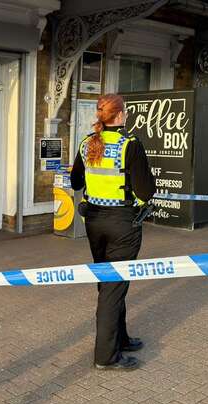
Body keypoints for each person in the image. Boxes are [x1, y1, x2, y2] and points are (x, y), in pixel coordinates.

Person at [70, 94, 156, 371]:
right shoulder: (130, 145)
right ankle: (106, 356)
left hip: (94, 221)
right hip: (122, 222)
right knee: (114, 286)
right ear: (119, 115)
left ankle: (120, 338)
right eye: (126, 112)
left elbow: (75, 181)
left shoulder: (86, 143)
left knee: (109, 282)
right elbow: (145, 190)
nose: (127, 115)